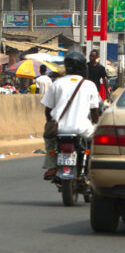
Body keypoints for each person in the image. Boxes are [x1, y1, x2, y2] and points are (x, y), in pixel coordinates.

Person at [41, 51, 101, 180]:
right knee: (95, 140)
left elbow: (48, 109)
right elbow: (94, 111)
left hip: (59, 129)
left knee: (49, 141)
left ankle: (52, 167)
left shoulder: (57, 84)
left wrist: (49, 122)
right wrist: (95, 123)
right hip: (82, 128)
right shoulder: (89, 85)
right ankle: (90, 168)